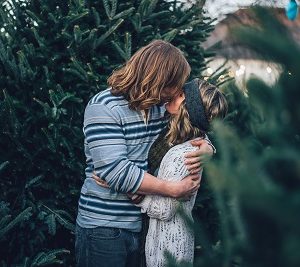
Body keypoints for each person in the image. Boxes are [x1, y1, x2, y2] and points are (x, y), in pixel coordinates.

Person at [75, 40, 214, 267]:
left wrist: (208, 148)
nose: (179, 90)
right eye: (175, 84)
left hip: (145, 224)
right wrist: (172, 189)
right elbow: (117, 172)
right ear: (158, 79)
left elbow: (193, 125)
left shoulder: (159, 107)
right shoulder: (104, 107)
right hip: (105, 228)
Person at [135, 78, 228, 267]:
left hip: (168, 244)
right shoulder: (176, 132)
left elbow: (165, 209)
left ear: (189, 110)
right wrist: (210, 147)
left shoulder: (186, 155)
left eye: (180, 95)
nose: (174, 93)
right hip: (158, 235)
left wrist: (131, 192)